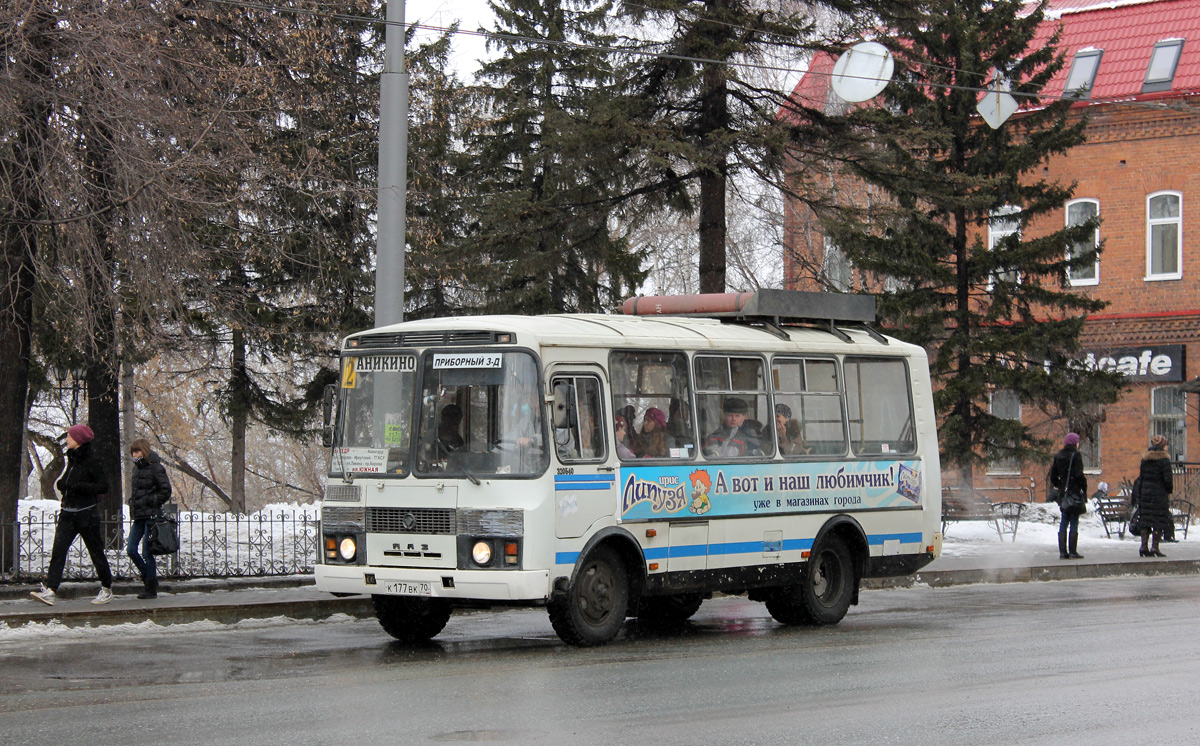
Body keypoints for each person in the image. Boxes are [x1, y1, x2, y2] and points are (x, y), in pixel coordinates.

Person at [31, 425, 115, 606]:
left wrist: (78, 487)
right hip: (67, 514)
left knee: (96, 552)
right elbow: (69, 481)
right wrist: (62, 484)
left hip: (87, 515)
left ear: (79, 439)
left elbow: (103, 486)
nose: (67, 439)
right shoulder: (72, 459)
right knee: (58, 552)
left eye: (69, 436)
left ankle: (107, 588)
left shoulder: (92, 460)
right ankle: (51, 590)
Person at [127, 438, 173, 600]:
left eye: (137, 451)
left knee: (147, 553)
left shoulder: (156, 468)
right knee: (131, 549)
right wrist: (133, 502)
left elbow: (166, 490)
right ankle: (149, 579)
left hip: (151, 516)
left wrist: (151, 500)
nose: (135, 454)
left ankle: (150, 587)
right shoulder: (136, 470)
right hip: (139, 515)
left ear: (144, 451)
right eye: (133, 452)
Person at [1049, 432, 1087, 560]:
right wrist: (1083, 488)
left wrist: (1060, 485)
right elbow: (1079, 475)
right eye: (1077, 441)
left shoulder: (1058, 455)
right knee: (1074, 519)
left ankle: (1062, 552)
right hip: (1074, 491)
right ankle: (1072, 551)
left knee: (1064, 520)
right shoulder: (1076, 455)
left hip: (1063, 493)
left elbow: (1053, 475)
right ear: (1074, 442)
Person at [1136, 434, 1174, 558]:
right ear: (1163, 445)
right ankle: (1155, 547)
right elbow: (1168, 480)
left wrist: (1141, 493)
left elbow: (1141, 478)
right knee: (1158, 520)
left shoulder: (1145, 459)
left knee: (1145, 520)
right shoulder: (1164, 460)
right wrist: (1168, 490)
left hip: (1146, 494)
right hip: (1159, 495)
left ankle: (1143, 547)